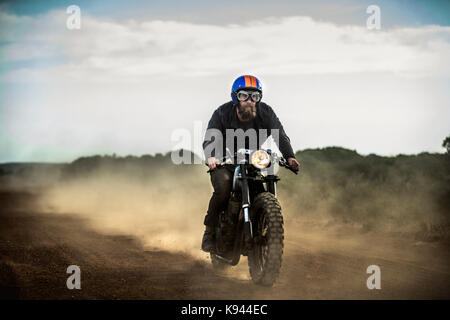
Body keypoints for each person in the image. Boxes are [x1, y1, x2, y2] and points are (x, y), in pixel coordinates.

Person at [201, 75, 300, 252]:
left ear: (259, 98)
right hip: (225, 161)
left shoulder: (266, 112)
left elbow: (280, 135)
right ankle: (209, 231)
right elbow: (210, 138)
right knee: (223, 188)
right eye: (244, 96)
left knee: (260, 191)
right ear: (235, 98)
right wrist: (212, 157)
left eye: (254, 96)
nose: (249, 101)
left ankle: (261, 226)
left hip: (253, 160)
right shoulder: (222, 113)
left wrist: (290, 156)